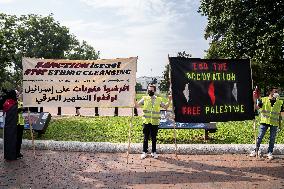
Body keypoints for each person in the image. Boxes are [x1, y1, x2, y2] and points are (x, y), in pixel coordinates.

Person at [135, 84, 171, 159]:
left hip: (155, 122)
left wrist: (169, 100)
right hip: (146, 121)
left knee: (154, 138)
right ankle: (144, 152)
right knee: (145, 138)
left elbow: (166, 107)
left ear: (154, 90)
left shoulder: (158, 99)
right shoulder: (144, 98)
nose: (149, 91)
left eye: (151, 90)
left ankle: (153, 152)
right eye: (148, 89)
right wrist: (134, 98)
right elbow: (137, 105)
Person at [250, 87, 284, 160]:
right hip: (264, 122)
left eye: (277, 92)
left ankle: (270, 152)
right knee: (259, 137)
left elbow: (280, 114)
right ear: (270, 92)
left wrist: (280, 125)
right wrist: (254, 100)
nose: (276, 93)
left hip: (274, 123)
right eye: (275, 91)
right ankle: (255, 150)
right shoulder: (264, 100)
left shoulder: (280, 102)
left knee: (272, 139)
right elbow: (256, 108)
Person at [3, 90, 19, 160]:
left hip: (7, 125)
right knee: (11, 141)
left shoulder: (7, 102)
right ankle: (11, 156)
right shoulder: (13, 103)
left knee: (8, 141)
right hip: (12, 126)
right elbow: (13, 114)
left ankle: (8, 156)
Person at [16, 91, 24, 159]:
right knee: (15, 139)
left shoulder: (21, 103)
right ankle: (14, 153)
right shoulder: (12, 103)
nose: (18, 96)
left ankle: (18, 152)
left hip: (21, 123)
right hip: (15, 124)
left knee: (19, 140)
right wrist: (20, 109)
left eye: (18, 95)